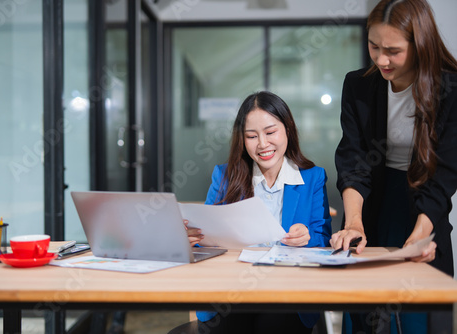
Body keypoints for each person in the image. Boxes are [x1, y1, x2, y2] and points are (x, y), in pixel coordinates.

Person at [331, 0, 457, 332]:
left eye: (393, 51)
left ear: (420, 45)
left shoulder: (451, 90)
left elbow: (445, 173)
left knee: (419, 314)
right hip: (371, 200)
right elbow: (353, 160)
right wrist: (354, 223)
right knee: (365, 312)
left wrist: (418, 238)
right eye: (374, 47)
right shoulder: (359, 86)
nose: (381, 60)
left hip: (423, 206)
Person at [193, 91, 332, 334]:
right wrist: (194, 237)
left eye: (270, 132)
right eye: (251, 136)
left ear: (287, 129)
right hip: (233, 288)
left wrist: (307, 237)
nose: (263, 144)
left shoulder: (313, 178)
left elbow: (323, 239)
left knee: (274, 323)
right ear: (242, 139)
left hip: (288, 290)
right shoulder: (225, 176)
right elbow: (205, 240)